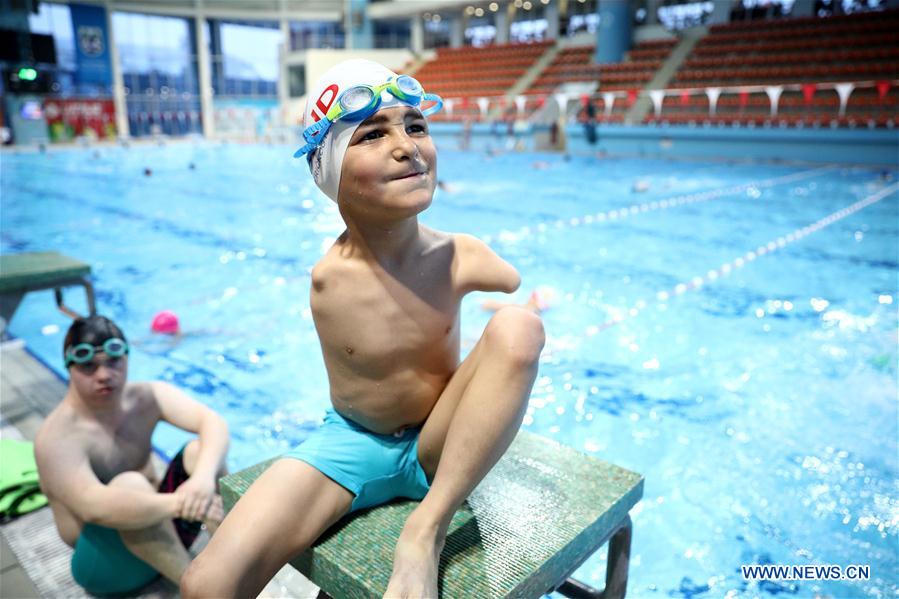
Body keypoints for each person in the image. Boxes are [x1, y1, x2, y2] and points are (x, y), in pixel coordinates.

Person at [181, 59, 544, 599]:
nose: (407, 145)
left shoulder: (463, 257)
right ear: (329, 173)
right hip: (352, 445)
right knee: (205, 585)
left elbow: (511, 285)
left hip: (442, 440)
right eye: (374, 134)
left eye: (416, 126)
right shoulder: (329, 279)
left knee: (519, 328)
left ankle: (426, 529)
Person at [34, 315, 230, 596]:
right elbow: (94, 506)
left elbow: (214, 423)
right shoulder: (56, 436)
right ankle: (203, 590)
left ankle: (231, 565)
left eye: (113, 362)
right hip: (106, 564)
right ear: (70, 368)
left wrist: (201, 480)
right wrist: (182, 504)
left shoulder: (145, 397)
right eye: (88, 366)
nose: (103, 374)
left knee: (201, 454)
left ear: (126, 358)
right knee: (131, 484)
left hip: (162, 537)